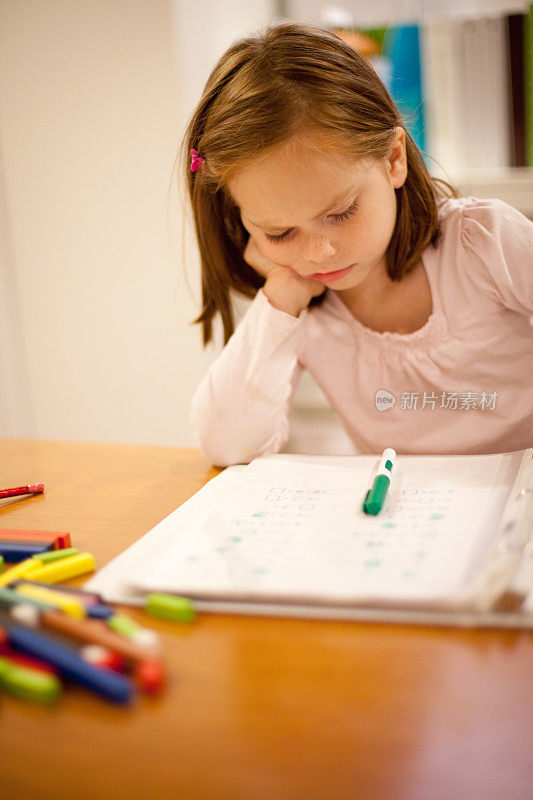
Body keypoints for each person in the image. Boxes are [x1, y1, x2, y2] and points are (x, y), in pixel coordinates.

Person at [181, 22, 533, 467]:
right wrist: (281, 301)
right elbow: (226, 444)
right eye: (279, 233)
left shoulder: (483, 244)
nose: (318, 253)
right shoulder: (299, 311)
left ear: (393, 159)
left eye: (342, 212)